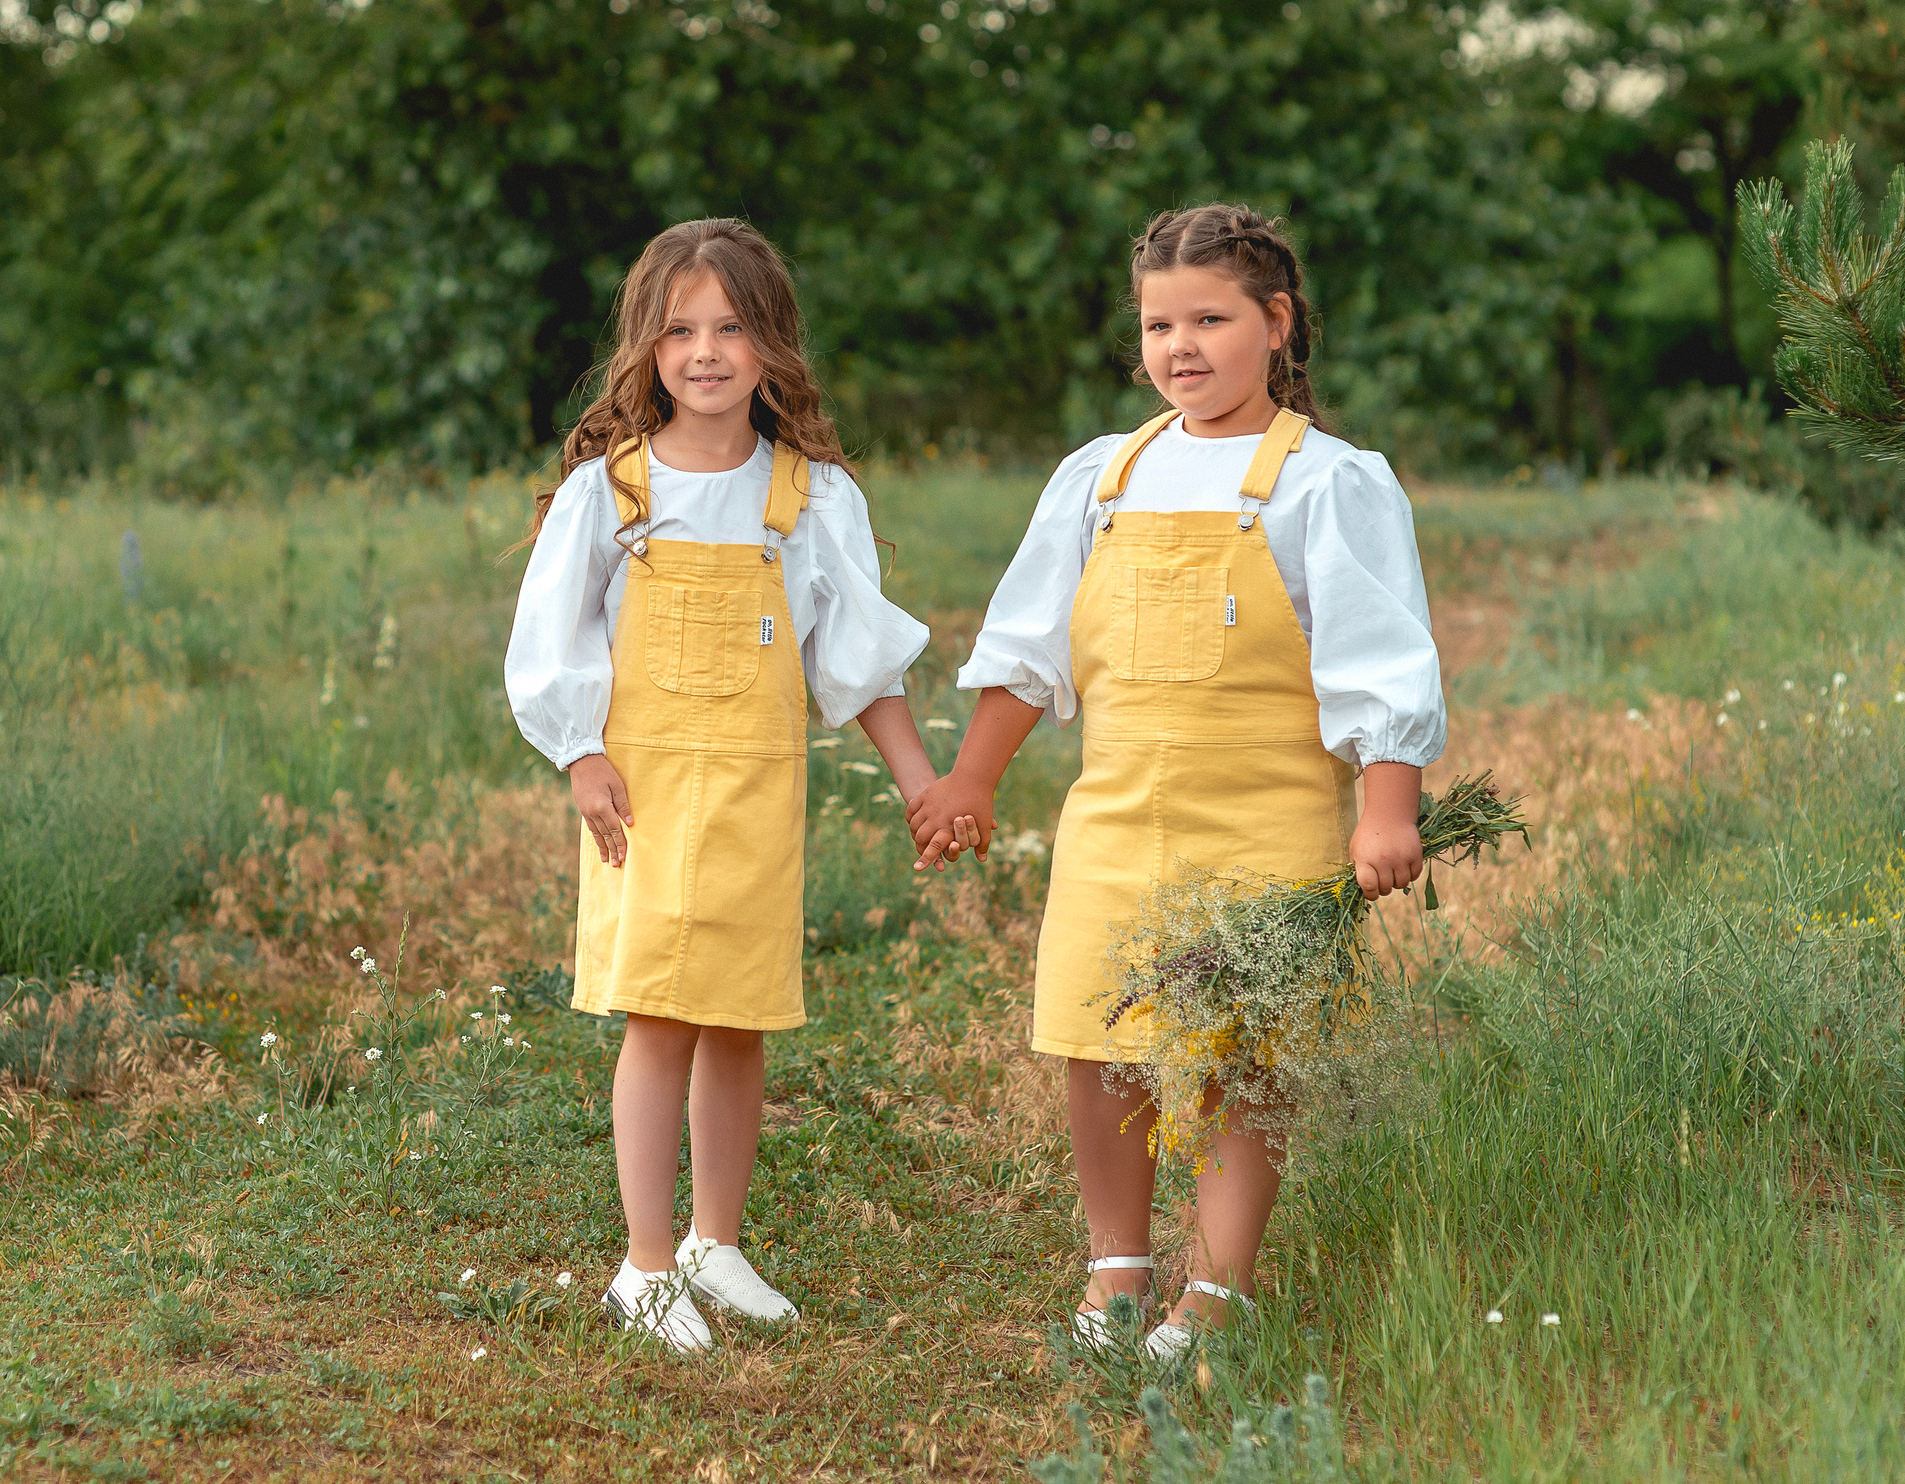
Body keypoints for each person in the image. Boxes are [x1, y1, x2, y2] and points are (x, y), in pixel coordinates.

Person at [906, 204, 1444, 1359]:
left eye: (1210, 317)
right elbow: (1026, 647)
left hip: (1265, 817)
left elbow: (1380, 656)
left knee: (1243, 1049)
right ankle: (1116, 1266)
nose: (1181, 345)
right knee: (1101, 1037)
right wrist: (971, 776)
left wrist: (1386, 803)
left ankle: (1218, 1283)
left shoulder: (1324, 482)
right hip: (1116, 809)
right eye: (1159, 323)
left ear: (1277, 323)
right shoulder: (1102, 477)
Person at [505, 218, 945, 1354]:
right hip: (640, 792)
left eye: (731, 327)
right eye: (679, 329)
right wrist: (579, 752)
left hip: (755, 789)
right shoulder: (615, 491)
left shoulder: (810, 496)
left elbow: (856, 664)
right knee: (659, 1010)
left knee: (740, 1012)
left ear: (772, 346)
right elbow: (551, 641)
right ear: (646, 348)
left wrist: (919, 785)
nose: (705, 351)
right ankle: (643, 1264)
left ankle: (716, 1240)